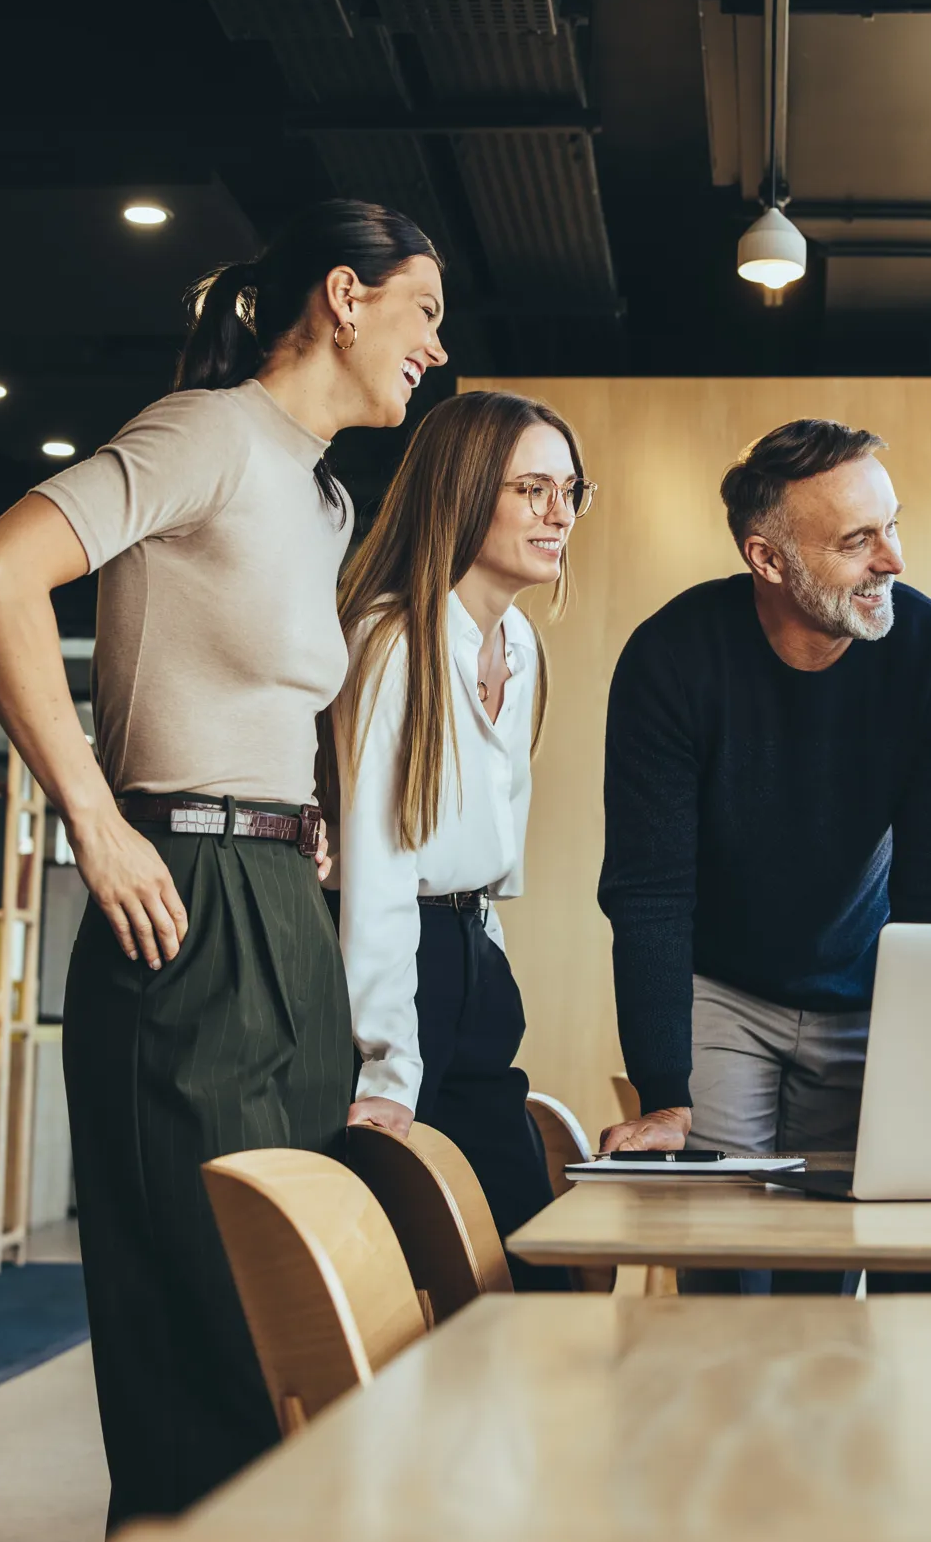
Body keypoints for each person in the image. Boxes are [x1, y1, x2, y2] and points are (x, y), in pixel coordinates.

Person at [0, 199, 447, 1523]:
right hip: (185, 901)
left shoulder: (326, 494)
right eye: (424, 313)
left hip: (282, 905)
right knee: (208, 1344)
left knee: (298, 1330)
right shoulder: (204, 431)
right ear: (346, 295)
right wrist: (95, 821)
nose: (435, 350)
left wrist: (302, 819)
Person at [596, 419, 931, 1188]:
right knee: (721, 1244)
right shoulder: (670, 659)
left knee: (831, 1248)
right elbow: (649, 890)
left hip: (871, 987)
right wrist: (664, 1095)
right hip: (721, 991)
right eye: (857, 540)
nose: (894, 560)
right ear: (766, 557)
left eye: (893, 526)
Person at [329, 389, 590, 1285]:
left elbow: (491, 854)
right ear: (465, 490)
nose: (560, 513)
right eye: (532, 490)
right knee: (411, 1268)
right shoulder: (391, 639)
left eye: (570, 490)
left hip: (474, 958)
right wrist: (390, 1067)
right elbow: (376, 868)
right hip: (402, 972)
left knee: (524, 1258)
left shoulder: (518, 645)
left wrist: (491, 961)